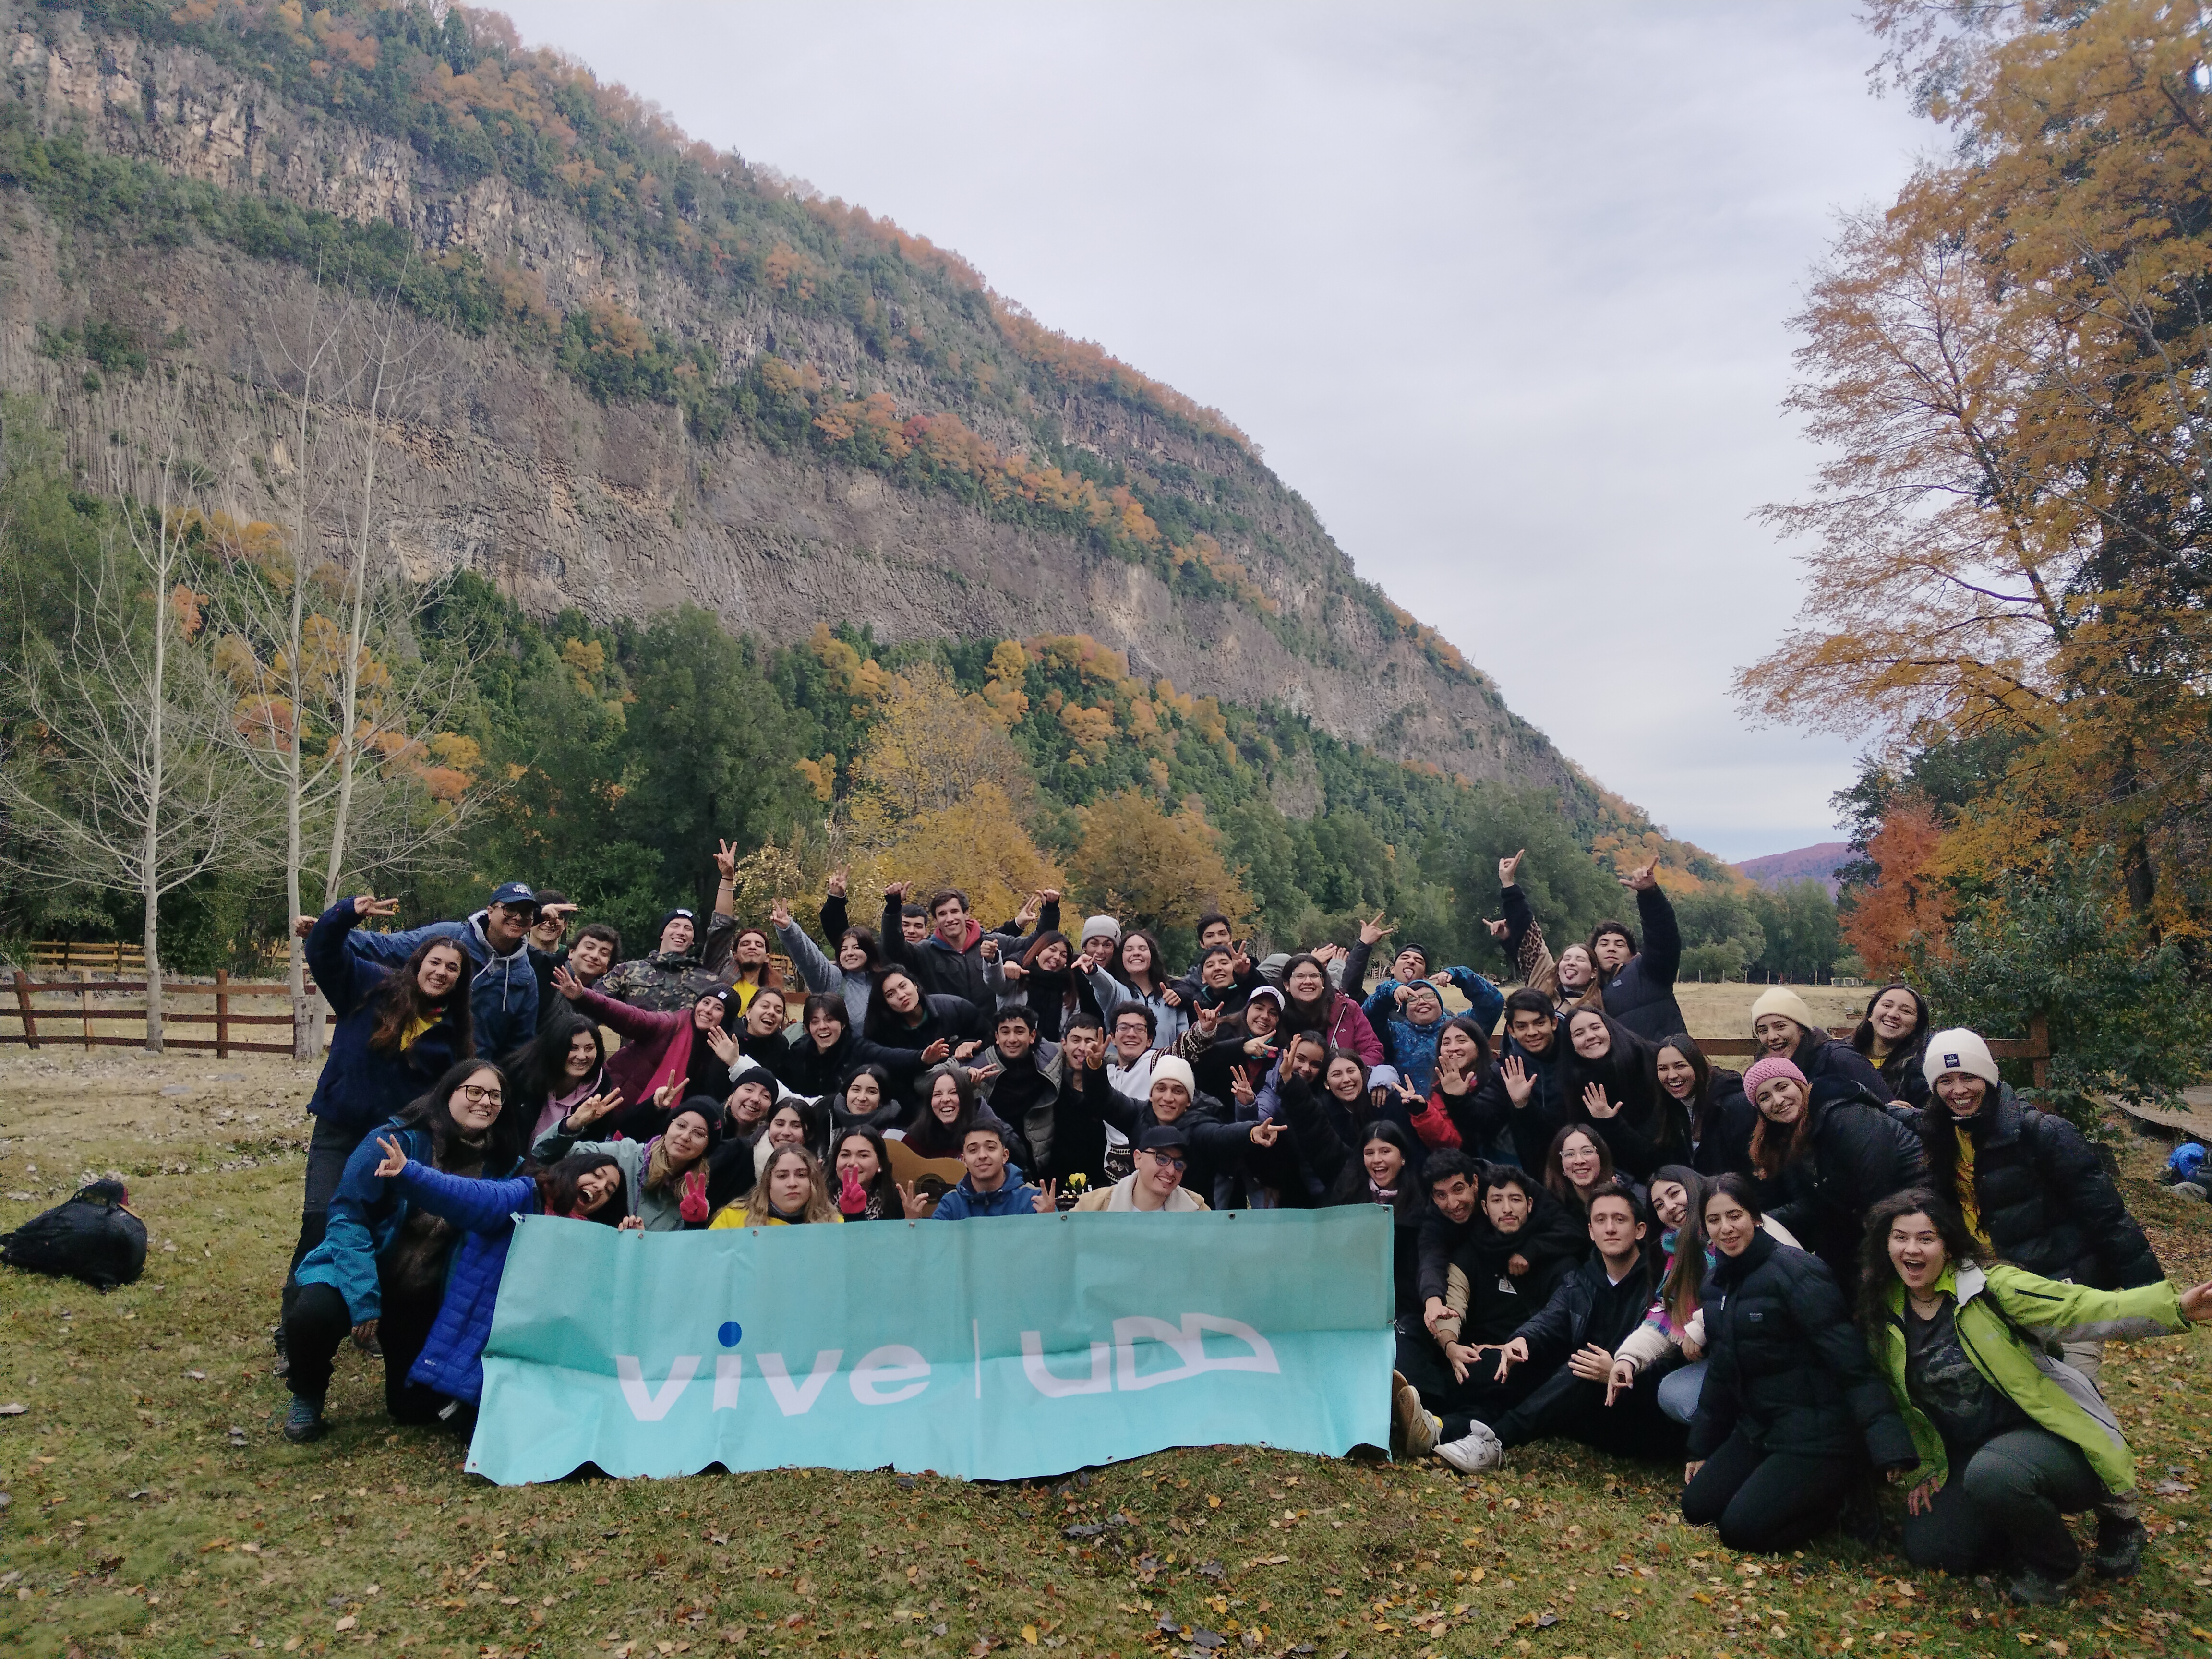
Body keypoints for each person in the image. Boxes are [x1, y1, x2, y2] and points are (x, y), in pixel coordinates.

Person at [1862, 1190, 2212, 1599]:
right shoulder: (1884, 1309)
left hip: (2047, 1442)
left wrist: (2175, 1308)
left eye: (1926, 1238)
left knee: (1995, 1475)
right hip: (1965, 1457)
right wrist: (1924, 1467)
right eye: (1900, 1237)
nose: (1911, 1249)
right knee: (1934, 1549)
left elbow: (2081, 1308)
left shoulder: (1990, 1288)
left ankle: (2057, 1568)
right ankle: (2016, 1528)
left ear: (1949, 1244)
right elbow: (1901, 1401)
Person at [281, 1059, 523, 1443]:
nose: (486, 1102)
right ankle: (306, 1395)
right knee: (312, 1314)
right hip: (359, 1270)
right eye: (474, 1091)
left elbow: (542, 1180)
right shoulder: (397, 1140)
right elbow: (347, 1215)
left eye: (496, 1096)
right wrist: (364, 1299)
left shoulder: (501, 1166)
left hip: (421, 1293)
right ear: (448, 1094)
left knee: (414, 1411)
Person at [1679, 1174, 1915, 1552]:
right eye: (1714, 1220)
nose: (1726, 1229)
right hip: (1761, 1427)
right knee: (1697, 1507)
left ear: (1756, 1217)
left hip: (1816, 1432)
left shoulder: (1798, 1272)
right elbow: (1722, 1370)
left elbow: (1850, 1363)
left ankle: (1837, 1502)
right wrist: (1700, 1446)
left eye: (1735, 1215)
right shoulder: (1716, 1284)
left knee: (1739, 1531)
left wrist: (1887, 1445)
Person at [1914, 1030, 2163, 1386]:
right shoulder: (1939, 1137)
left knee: (2077, 1396)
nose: (1959, 1090)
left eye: (1968, 1076)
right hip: (1990, 1290)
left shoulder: (2044, 1133)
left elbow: (2107, 1216)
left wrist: (2151, 1299)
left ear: (1989, 1076)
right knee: (2020, 1397)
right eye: (1945, 1080)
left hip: (2062, 1289)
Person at [291, 896, 475, 1311]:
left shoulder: (454, 1032)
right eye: (435, 962)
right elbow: (321, 948)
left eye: (452, 968)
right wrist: (346, 914)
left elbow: (452, 1096)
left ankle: (363, 1309)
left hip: (392, 1145)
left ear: (461, 980)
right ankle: (299, 1318)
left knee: (376, 1228)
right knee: (320, 1221)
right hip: (339, 1130)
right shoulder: (369, 987)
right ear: (418, 962)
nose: (441, 972)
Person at [1428, 1183, 1680, 1471]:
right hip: (1583, 1410)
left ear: (1640, 1230)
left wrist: (1616, 1372)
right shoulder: (1582, 1279)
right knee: (1505, 1360)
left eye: (1619, 1219)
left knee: (1579, 1369)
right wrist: (1521, 1340)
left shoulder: (1664, 1281)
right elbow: (1550, 1319)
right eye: (1601, 1220)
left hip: (1638, 1413)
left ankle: (1495, 1443)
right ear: (1590, 1232)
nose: (1610, 1228)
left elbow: (1671, 1363)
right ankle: (1439, 1423)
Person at [372, 1144, 625, 1413]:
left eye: (609, 1190)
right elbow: (471, 1196)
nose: (600, 1188)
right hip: (478, 1341)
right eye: (596, 1176)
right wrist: (411, 1174)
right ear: (573, 1169)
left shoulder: (593, 1242)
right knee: (414, 1411)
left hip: (529, 1353)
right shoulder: (526, 1196)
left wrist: (635, 1246)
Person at [1396, 1163, 1585, 1458]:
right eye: (1497, 1201)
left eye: (1515, 1200)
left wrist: (1507, 1346)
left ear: (1530, 1204)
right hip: (1470, 1353)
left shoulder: (1558, 1261)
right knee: (1410, 1327)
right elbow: (1453, 1304)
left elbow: (1556, 1319)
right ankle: (1419, 1410)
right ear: (1485, 1207)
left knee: (1497, 1378)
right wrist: (1451, 1346)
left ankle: (1426, 1418)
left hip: (1521, 1356)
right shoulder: (1470, 1253)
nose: (1507, 1209)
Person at [1745, 1053, 1925, 1284]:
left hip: (1915, 1201)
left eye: (1782, 1087)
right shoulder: (1791, 1138)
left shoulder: (1843, 1113)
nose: (1778, 1100)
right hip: (1873, 1214)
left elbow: (1878, 1183)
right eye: (1765, 1097)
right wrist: (1757, 1221)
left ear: (1800, 1085)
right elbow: (1810, 1203)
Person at [333, 881, 541, 1058]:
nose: (518, 917)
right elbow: (388, 947)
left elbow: (519, 1045)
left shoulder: (525, 977)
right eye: (510, 909)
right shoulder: (450, 937)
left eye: (526, 913)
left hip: (470, 1079)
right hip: (418, 1058)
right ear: (490, 910)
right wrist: (329, 932)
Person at [548, 966, 734, 1131]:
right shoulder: (671, 1025)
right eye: (705, 1003)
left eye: (718, 1008)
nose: (708, 1010)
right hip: (613, 1113)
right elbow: (630, 1017)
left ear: (727, 1019)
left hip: (664, 1130)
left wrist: (732, 1063)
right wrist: (584, 996)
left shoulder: (726, 1053)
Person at [532, 1088, 720, 1231]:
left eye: (699, 1134)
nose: (685, 1136)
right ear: (668, 1128)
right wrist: (572, 1125)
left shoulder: (695, 1199)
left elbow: (675, 1261)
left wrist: (695, 1225)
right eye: (681, 1125)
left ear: (707, 1146)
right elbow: (543, 1155)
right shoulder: (623, 1153)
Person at [880, 881, 1057, 1007]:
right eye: (942, 914)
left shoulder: (994, 941)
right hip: (948, 1041)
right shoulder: (924, 952)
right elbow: (893, 948)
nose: (949, 919)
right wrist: (894, 907)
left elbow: (1038, 944)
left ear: (966, 914)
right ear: (935, 920)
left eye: (954, 911)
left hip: (993, 1036)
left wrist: (1050, 910)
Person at [1557, 1009, 1687, 1179]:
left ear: (1609, 1029)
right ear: (1571, 1044)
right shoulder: (1575, 1085)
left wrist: (1612, 1123)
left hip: (1671, 1172)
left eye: (1596, 1027)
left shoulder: (1647, 1060)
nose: (1590, 1036)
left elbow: (1659, 1155)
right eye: (1579, 1033)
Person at [851, 966, 986, 1115]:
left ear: (915, 984)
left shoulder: (953, 1007)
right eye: (891, 994)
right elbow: (887, 1070)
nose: (901, 995)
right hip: (916, 1107)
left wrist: (971, 1044)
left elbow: (989, 1038)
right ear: (885, 1002)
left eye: (903, 986)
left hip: (969, 1091)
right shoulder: (882, 1031)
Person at [1467, 989, 1567, 1168]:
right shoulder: (1504, 1070)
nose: (1532, 1032)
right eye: (1522, 1026)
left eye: (1539, 1023)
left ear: (1553, 1022)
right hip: (1532, 1167)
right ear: (1512, 1031)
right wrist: (1457, 1099)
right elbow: (1482, 1120)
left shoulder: (1577, 1058)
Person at [1749, 986, 1889, 1101]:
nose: (1772, 1037)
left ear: (1801, 1029)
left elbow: (1890, 1110)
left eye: (1780, 1027)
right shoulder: (1767, 1070)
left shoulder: (1841, 1059)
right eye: (1763, 1031)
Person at [1654, 1033, 1758, 1179]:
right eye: (1663, 1069)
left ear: (1698, 1066)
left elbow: (1754, 1170)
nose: (1671, 1075)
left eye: (1680, 1066)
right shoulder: (1672, 1109)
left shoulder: (1734, 1107)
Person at [597, 905, 728, 1014]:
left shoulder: (708, 980)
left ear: (693, 940)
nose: (681, 932)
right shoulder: (628, 970)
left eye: (688, 928)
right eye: (675, 926)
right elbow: (593, 1001)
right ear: (662, 934)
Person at [508, 1009, 611, 1143]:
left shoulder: (601, 1086)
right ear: (556, 1047)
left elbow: (593, 1143)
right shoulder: (521, 1076)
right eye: (573, 1048)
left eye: (589, 1048)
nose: (581, 1056)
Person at [796, 874, 887, 1025]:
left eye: (857, 948)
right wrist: (836, 899)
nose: (850, 953)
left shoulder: (886, 980)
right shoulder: (835, 980)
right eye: (844, 949)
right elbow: (834, 931)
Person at [929, 1116, 1054, 1219]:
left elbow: (1056, 1244)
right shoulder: (952, 1203)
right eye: (973, 1150)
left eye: (991, 1148)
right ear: (964, 1160)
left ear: (1005, 1156)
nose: (982, 1156)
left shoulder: (1032, 1199)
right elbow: (934, 1245)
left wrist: (1051, 1222)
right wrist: (914, 1223)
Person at [1071, 1122, 1212, 1212]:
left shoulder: (1197, 1210)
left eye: (1179, 1164)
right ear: (1137, 1159)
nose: (1171, 1171)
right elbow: (1066, 1248)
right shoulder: (1094, 1207)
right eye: (1162, 1159)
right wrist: (1050, 1220)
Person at [1276, 952, 1382, 1067]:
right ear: (1287, 985)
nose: (1308, 982)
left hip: (1339, 1081)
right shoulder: (1276, 1012)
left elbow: (1374, 1052)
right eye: (1300, 976)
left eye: (1314, 976)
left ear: (1322, 982)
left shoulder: (1346, 1009)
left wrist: (1342, 1068)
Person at [715, 1144, 842, 1227]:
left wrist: (855, 1217)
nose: (792, 1183)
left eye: (801, 1175)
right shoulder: (732, 1218)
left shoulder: (833, 1223)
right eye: (782, 1176)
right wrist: (695, 1223)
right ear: (768, 1182)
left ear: (813, 1181)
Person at [759, 992, 856, 1099]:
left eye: (830, 1020)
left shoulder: (861, 1055)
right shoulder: (797, 1052)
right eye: (815, 1022)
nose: (823, 1027)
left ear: (843, 1023)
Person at [1854, 983, 1936, 1110]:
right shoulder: (1840, 1056)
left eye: (1906, 1011)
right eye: (1887, 1005)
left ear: (1917, 1025)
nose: (1893, 1015)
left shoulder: (1922, 1073)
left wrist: (1913, 1116)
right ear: (1870, 1014)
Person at [1110, 929, 1187, 1051]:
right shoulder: (1114, 994)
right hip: (1123, 1068)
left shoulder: (1172, 996)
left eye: (1143, 949)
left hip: (1163, 1068)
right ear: (1121, 957)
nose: (1136, 953)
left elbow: (1184, 1044)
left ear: (1152, 955)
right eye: (1129, 950)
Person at [1542, 1125, 1639, 1220]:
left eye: (1587, 1152)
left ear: (1601, 1157)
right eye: (1570, 1154)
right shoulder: (1551, 1211)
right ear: (1560, 1165)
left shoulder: (1633, 1196)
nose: (1579, 1161)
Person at [830, 1127, 925, 1222]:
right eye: (845, 1155)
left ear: (880, 1164)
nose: (851, 1163)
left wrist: (911, 1221)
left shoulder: (893, 1201)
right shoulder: (821, 1197)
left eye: (863, 1156)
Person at [902, 1063, 982, 1160]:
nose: (945, 1099)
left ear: (966, 1098)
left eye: (953, 1093)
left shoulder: (983, 1134)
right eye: (938, 1094)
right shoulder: (916, 1137)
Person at [830, 1064, 901, 1135]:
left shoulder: (894, 1134)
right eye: (856, 1089)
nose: (861, 1098)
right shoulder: (824, 1118)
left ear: (882, 1099)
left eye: (872, 1092)